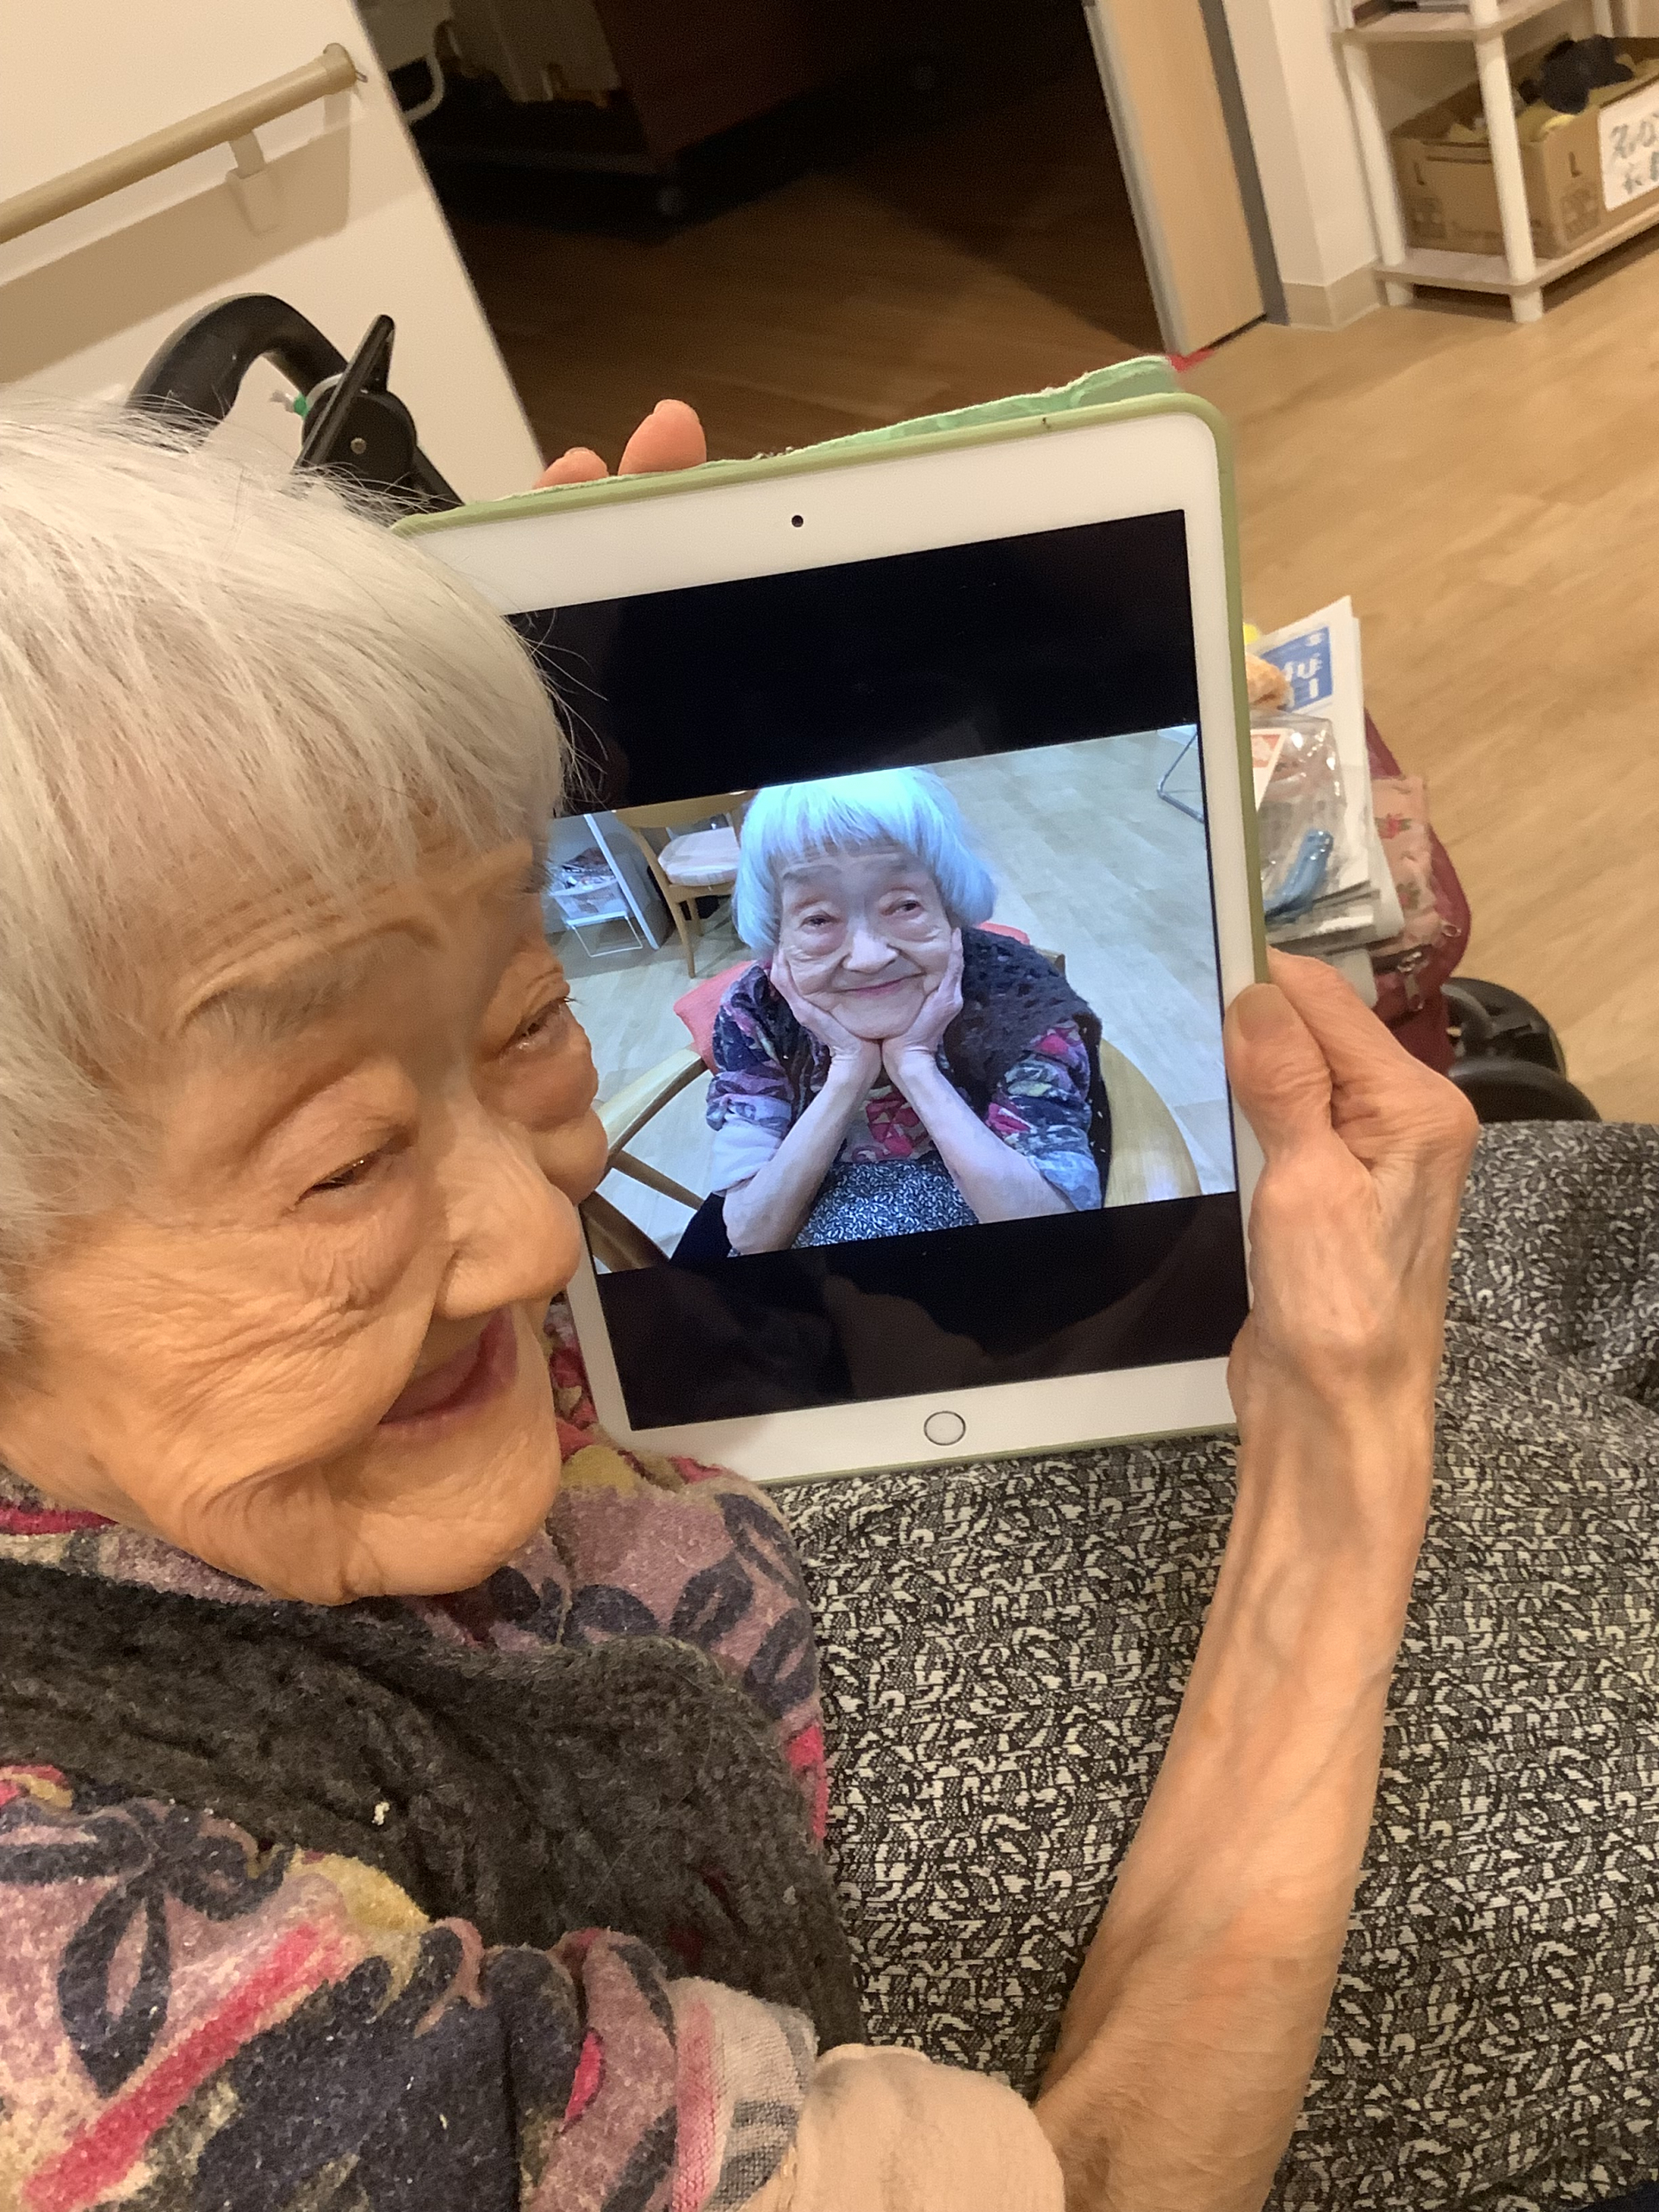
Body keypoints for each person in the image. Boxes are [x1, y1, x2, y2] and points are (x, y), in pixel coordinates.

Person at [3, 391, 1627, 2212]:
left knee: (1594, 1218)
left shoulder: (1018, 998)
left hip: (973, 1363)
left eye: (528, 1019)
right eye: (342, 1166)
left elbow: (1035, 1199)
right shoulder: (99, 1986)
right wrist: (1348, 1453)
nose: (542, 1251)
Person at [709, 769, 1112, 1253]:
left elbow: (1049, 1233)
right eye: (818, 918)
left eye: (903, 906)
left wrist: (915, 1064)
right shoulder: (757, 1009)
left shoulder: (1017, 995)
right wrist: (849, 1070)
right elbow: (753, 1233)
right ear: (778, 932)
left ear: (948, 904)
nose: (868, 957)